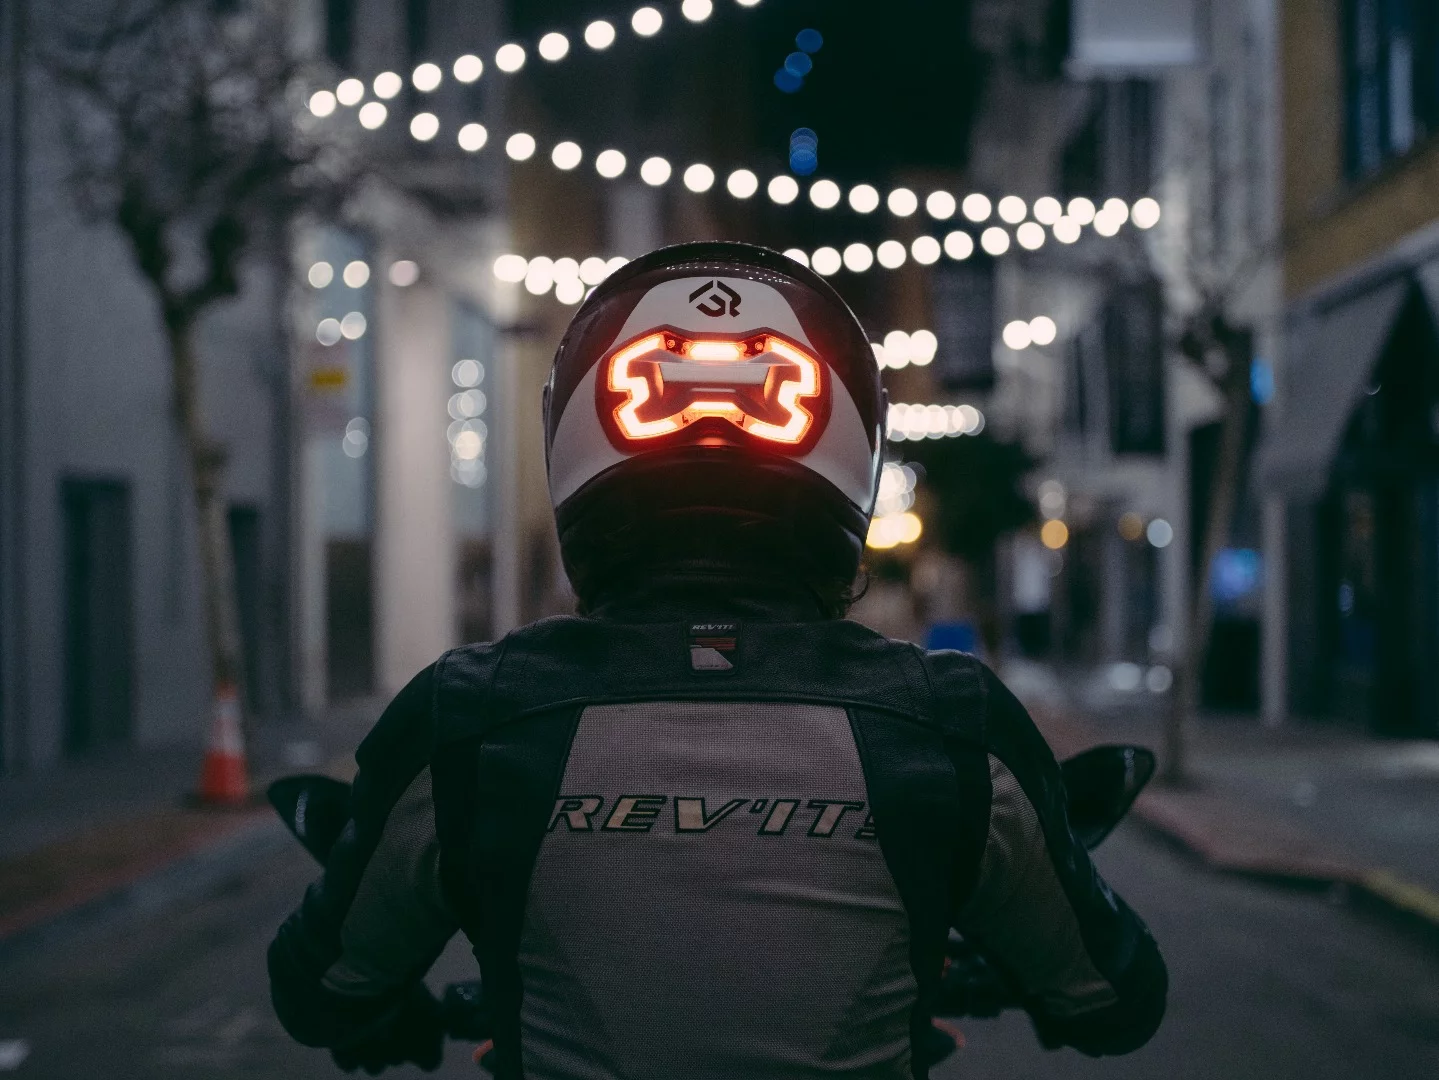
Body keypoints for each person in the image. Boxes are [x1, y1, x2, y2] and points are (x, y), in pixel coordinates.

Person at [268, 241, 1167, 1078]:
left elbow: (323, 987)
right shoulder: (950, 722)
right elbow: (1111, 998)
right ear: (852, 448)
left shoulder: (467, 714)